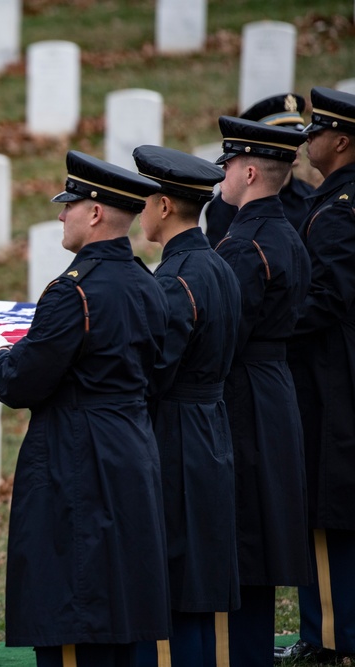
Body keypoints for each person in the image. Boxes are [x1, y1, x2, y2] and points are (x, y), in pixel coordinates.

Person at [0, 151, 170, 667]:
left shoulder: (74, 291)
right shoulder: (146, 284)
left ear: (96, 213)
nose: (60, 215)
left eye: (70, 205)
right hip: (131, 444)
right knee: (123, 593)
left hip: (75, 452)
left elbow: (23, 382)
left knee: (73, 597)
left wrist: (0, 354)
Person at [131, 146, 242, 667]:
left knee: (173, 564)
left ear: (164, 205)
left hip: (175, 428)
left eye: (146, 200)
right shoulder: (215, 264)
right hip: (211, 424)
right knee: (202, 563)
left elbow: (155, 369)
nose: (140, 211)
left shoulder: (174, 279)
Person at [210, 116, 312, 667]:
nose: (222, 173)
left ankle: (236, 655)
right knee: (257, 524)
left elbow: (224, 332)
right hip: (273, 387)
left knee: (240, 528)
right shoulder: (285, 232)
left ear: (249, 172)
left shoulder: (246, 245)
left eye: (227, 165)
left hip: (242, 391)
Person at [277, 86, 355, 664]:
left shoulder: (337, 210)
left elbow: (326, 297)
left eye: (316, 132)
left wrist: (264, 324)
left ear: (342, 141)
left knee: (327, 509)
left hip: (332, 383)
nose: (307, 143)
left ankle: (328, 638)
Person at [204, 93, 315, 247]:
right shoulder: (228, 202)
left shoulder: (309, 197)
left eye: (297, 136)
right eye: (284, 138)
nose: (295, 145)